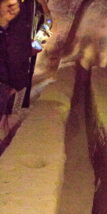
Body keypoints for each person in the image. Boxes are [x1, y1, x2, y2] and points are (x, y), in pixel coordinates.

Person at [0, 0, 52, 140]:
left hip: (16, 71)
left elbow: (47, 24)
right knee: (8, 116)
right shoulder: (18, 7)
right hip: (10, 75)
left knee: (9, 117)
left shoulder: (31, 5)